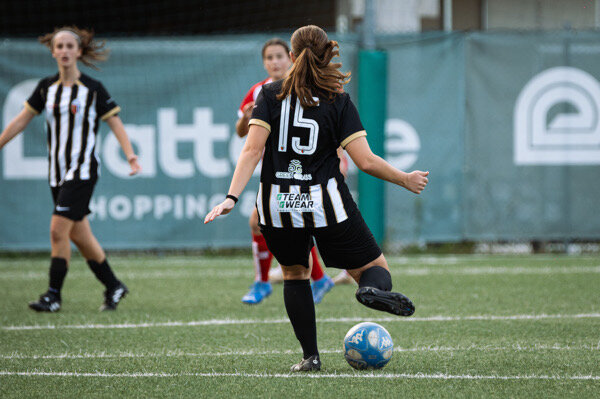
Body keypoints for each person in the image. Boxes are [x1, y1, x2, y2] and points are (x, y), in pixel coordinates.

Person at [206, 25, 428, 372]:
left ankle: (310, 357)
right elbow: (365, 161)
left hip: (276, 206)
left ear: (291, 57)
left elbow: (251, 150)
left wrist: (231, 197)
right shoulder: (337, 98)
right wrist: (404, 179)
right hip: (324, 203)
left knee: (295, 274)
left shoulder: (268, 94)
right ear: (327, 56)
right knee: (374, 270)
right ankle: (368, 292)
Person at [0, 26, 141, 312]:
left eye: (69, 46)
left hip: (82, 170)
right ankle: (114, 286)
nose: (64, 50)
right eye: (59, 46)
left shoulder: (93, 89)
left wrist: (131, 156)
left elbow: (115, 123)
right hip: (57, 172)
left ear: (78, 51)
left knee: (57, 231)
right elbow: (20, 120)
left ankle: (53, 295)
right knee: (79, 235)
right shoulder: (45, 88)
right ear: (52, 52)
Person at [235, 38, 334, 305]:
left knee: (267, 223)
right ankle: (317, 278)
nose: (274, 62)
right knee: (281, 225)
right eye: (268, 57)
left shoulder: (305, 88)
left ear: (291, 58)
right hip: (276, 170)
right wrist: (246, 118)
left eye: (279, 56)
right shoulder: (259, 91)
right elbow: (241, 132)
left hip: (302, 169)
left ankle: (264, 282)